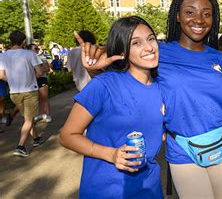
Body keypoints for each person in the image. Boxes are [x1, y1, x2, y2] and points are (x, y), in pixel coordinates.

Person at [80, 0, 222, 199]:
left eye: (206, 14)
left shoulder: (220, 59)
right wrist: (95, 71)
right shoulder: (158, 52)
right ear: (177, 16)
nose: (199, 20)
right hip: (184, 150)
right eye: (190, 12)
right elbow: (126, 81)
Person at [59, 16, 165, 198]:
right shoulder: (103, 85)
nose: (149, 47)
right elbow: (66, 136)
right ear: (122, 51)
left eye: (151, 39)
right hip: (106, 189)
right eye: (136, 43)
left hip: (149, 188)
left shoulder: (163, 87)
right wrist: (111, 154)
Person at [0, 31, 46, 157]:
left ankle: (36, 139)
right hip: (30, 90)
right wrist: (29, 78)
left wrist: (14, 80)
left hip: (14, 92)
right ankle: (20, 146)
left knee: (27, 118)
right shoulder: (30, 54)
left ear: (10, 41)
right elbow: (40, 72)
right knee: (29, 119)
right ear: (23, 41)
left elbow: (1, 75)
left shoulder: (3, 55)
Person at [27, 43, 52, 123]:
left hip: (41, 79)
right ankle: (40, 114)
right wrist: (39, 68)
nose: (37, 50)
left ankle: (47, 114)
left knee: (44, 97)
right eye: (35, 49)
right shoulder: (27, 58)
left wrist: (38, 70)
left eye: (37, 48)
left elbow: (47, 68)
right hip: (32, 80)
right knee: (35, 99)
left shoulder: (41, 57)